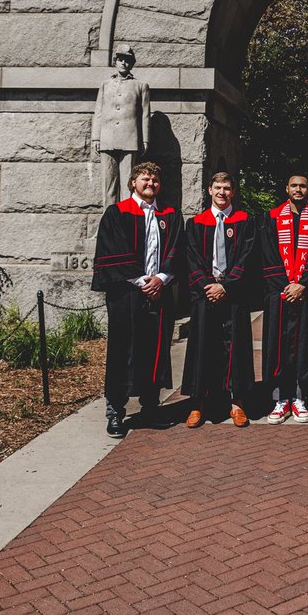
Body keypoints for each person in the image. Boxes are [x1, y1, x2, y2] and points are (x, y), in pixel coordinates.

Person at [91, 160, 182, 437]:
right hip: (126, 295)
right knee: (122, 351)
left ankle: (150, 406)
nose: (150, 184)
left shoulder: (170, 215)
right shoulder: (117, 213)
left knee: (155, 350)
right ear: (133, 182)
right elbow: (112, 253)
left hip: (159, 293)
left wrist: (162, 279)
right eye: (144, 179)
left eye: (154, 180)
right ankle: (116, 411)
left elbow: (177, 251)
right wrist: (144, 281)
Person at [182, 172, 256, 429]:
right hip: (205, 295)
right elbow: (190, 258)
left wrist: (226, 287)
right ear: (209, 191)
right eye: (217, 188)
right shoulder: (196, 223)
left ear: (233, 191)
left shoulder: (245, 221)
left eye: (226, 188)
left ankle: (238, 403)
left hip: (234, 295)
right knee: (203, 346)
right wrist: (207, 286)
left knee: (236, 347)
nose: (222, 192)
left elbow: (247, 258)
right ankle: (197, 403)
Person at [259, 172, 308, 423]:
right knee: (277, 346)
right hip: (280, 294)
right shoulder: (271, 217)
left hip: (306, 294)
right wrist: (287, 286)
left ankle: (300, 398)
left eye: (303, 186)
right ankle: (279, 399)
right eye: (294, 186)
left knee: (304, 346)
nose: (298, 190)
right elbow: (267, 254)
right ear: (286, 188)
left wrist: (303, 285)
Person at [92, 43, 150, 209]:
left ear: (131, 63)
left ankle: (126, 223)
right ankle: (108, 225)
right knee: (108, 185)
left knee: (127, 185)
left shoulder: (140, 86)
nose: (123, 63)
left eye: (127, 60)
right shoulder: (105, 85)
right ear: (115, 61)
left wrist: (146, 140)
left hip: (130, 138)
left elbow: (145, 114)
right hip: (107, 138)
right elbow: (99, 111)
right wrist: (96, 136)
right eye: (120, 59)